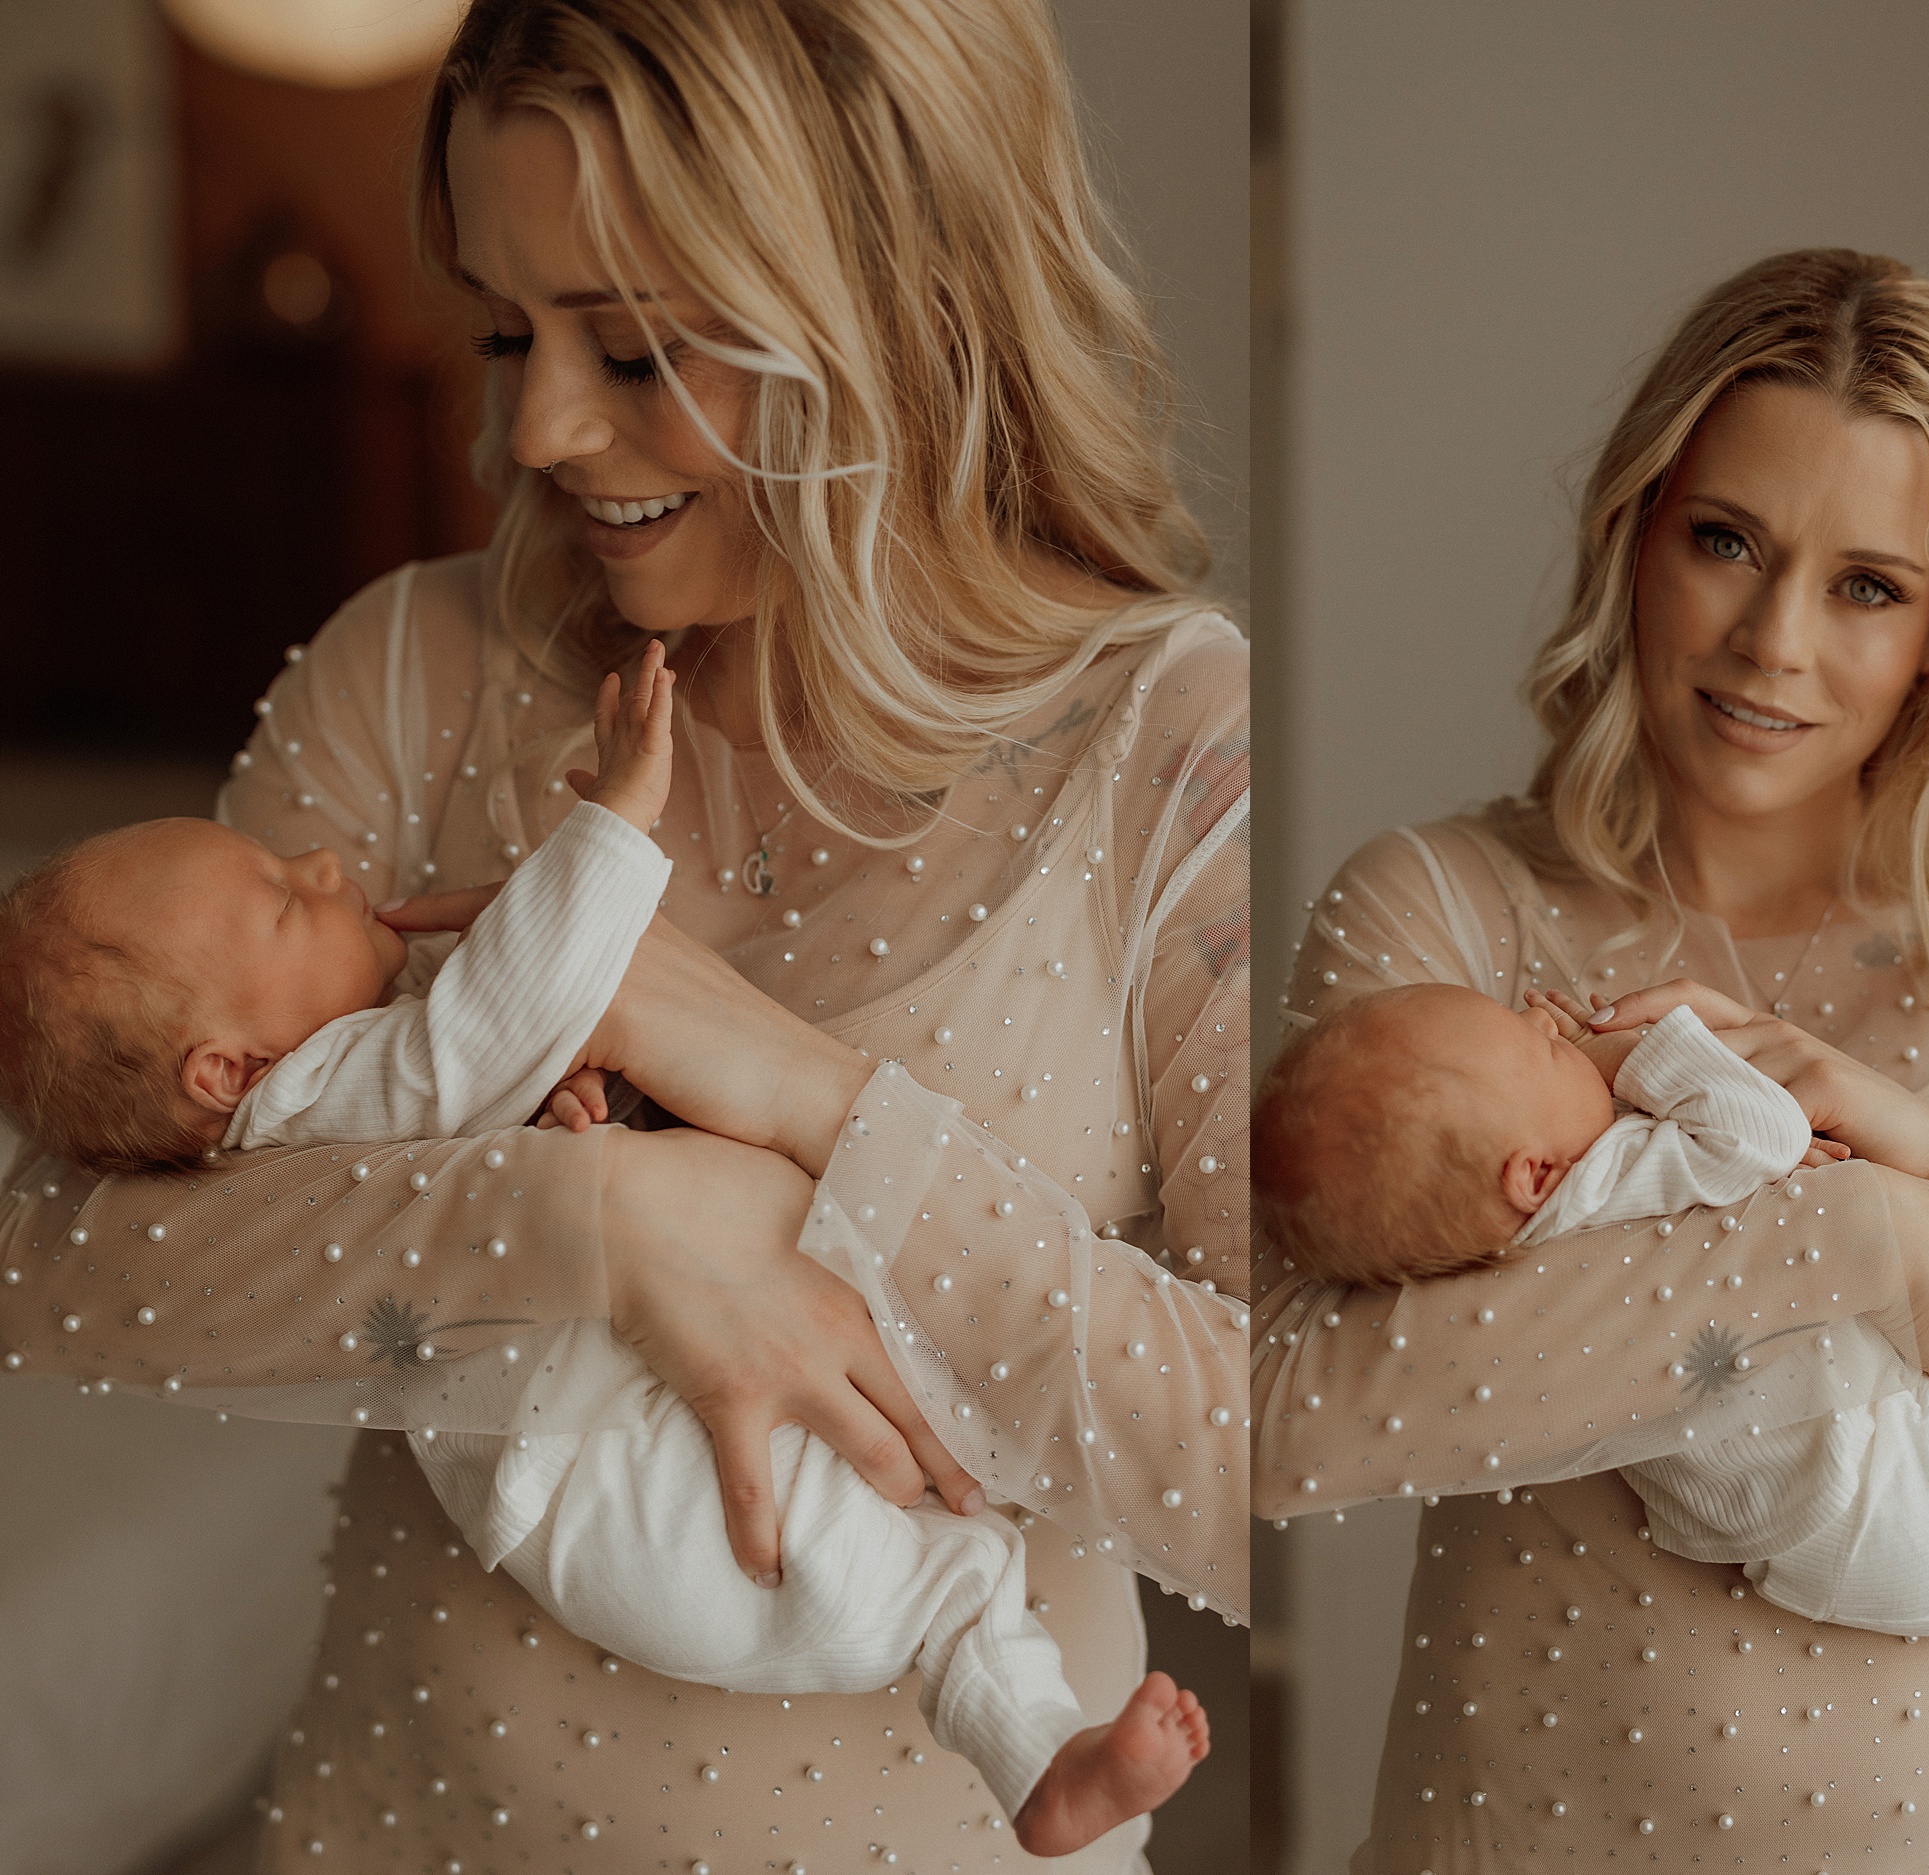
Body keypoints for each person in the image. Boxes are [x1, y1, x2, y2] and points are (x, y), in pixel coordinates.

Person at [0, 2, 1246, 1869]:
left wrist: (802, 1101)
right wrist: (608, 1228)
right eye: (508, 329)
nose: (533, 431)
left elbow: (1281, 1464)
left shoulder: (1164, 737)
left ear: (902, 307)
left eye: (639, 348)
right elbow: (64, 1262)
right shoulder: (414, 676)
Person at [1254, 247, 1929, 1868]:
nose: (1773, 642)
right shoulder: (1448, 918)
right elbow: (1283, 1421)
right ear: (1635, 534)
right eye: (1727, 543)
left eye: (1867, 586)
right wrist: (1858, 1239)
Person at [0, 642, 1212, 1851]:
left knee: (949, 1574)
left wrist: (574, 1134)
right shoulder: (320, 1084)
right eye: (280, 899)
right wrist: (617, 825)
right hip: (610, 1501)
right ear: (226, 1070)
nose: (325, 868)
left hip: (606, 1499)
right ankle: (1036, 1751)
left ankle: (1044, 1763)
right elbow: (499, 1017)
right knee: (939, 1572)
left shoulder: (322, 1094)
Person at [1253, 981, 1929, 1764]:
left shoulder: (1522, 1253)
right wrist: (1650, 1049)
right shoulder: (1608, 1180)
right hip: (1856, 1488)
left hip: (1792, 1523)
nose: (1545, 1020)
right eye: (1538, 1046)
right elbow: (1763, 1132)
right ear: (1533, 1175)